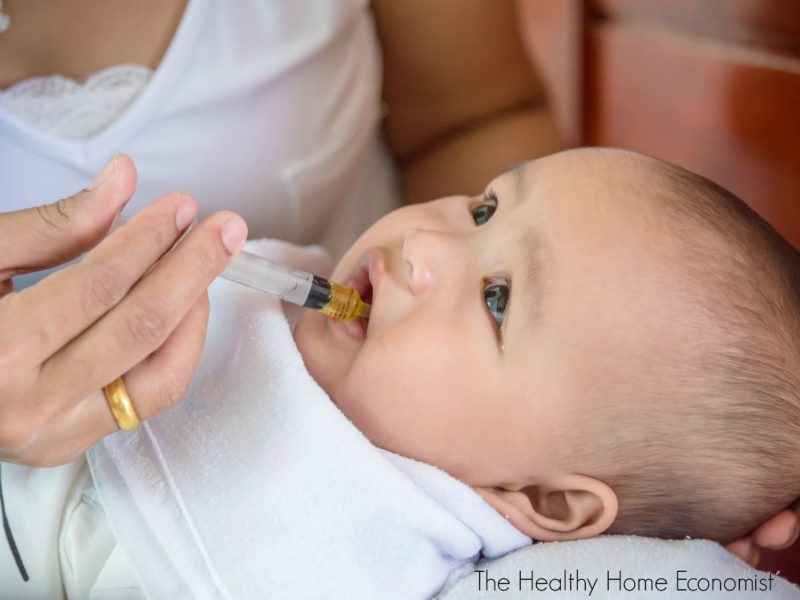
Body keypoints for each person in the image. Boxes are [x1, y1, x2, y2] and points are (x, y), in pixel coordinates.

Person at [6, 148, 800, 598]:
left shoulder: (378, 565)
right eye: (485, 208)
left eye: (497, 299)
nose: (425, 245)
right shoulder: (287, 298)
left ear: (546, 503)